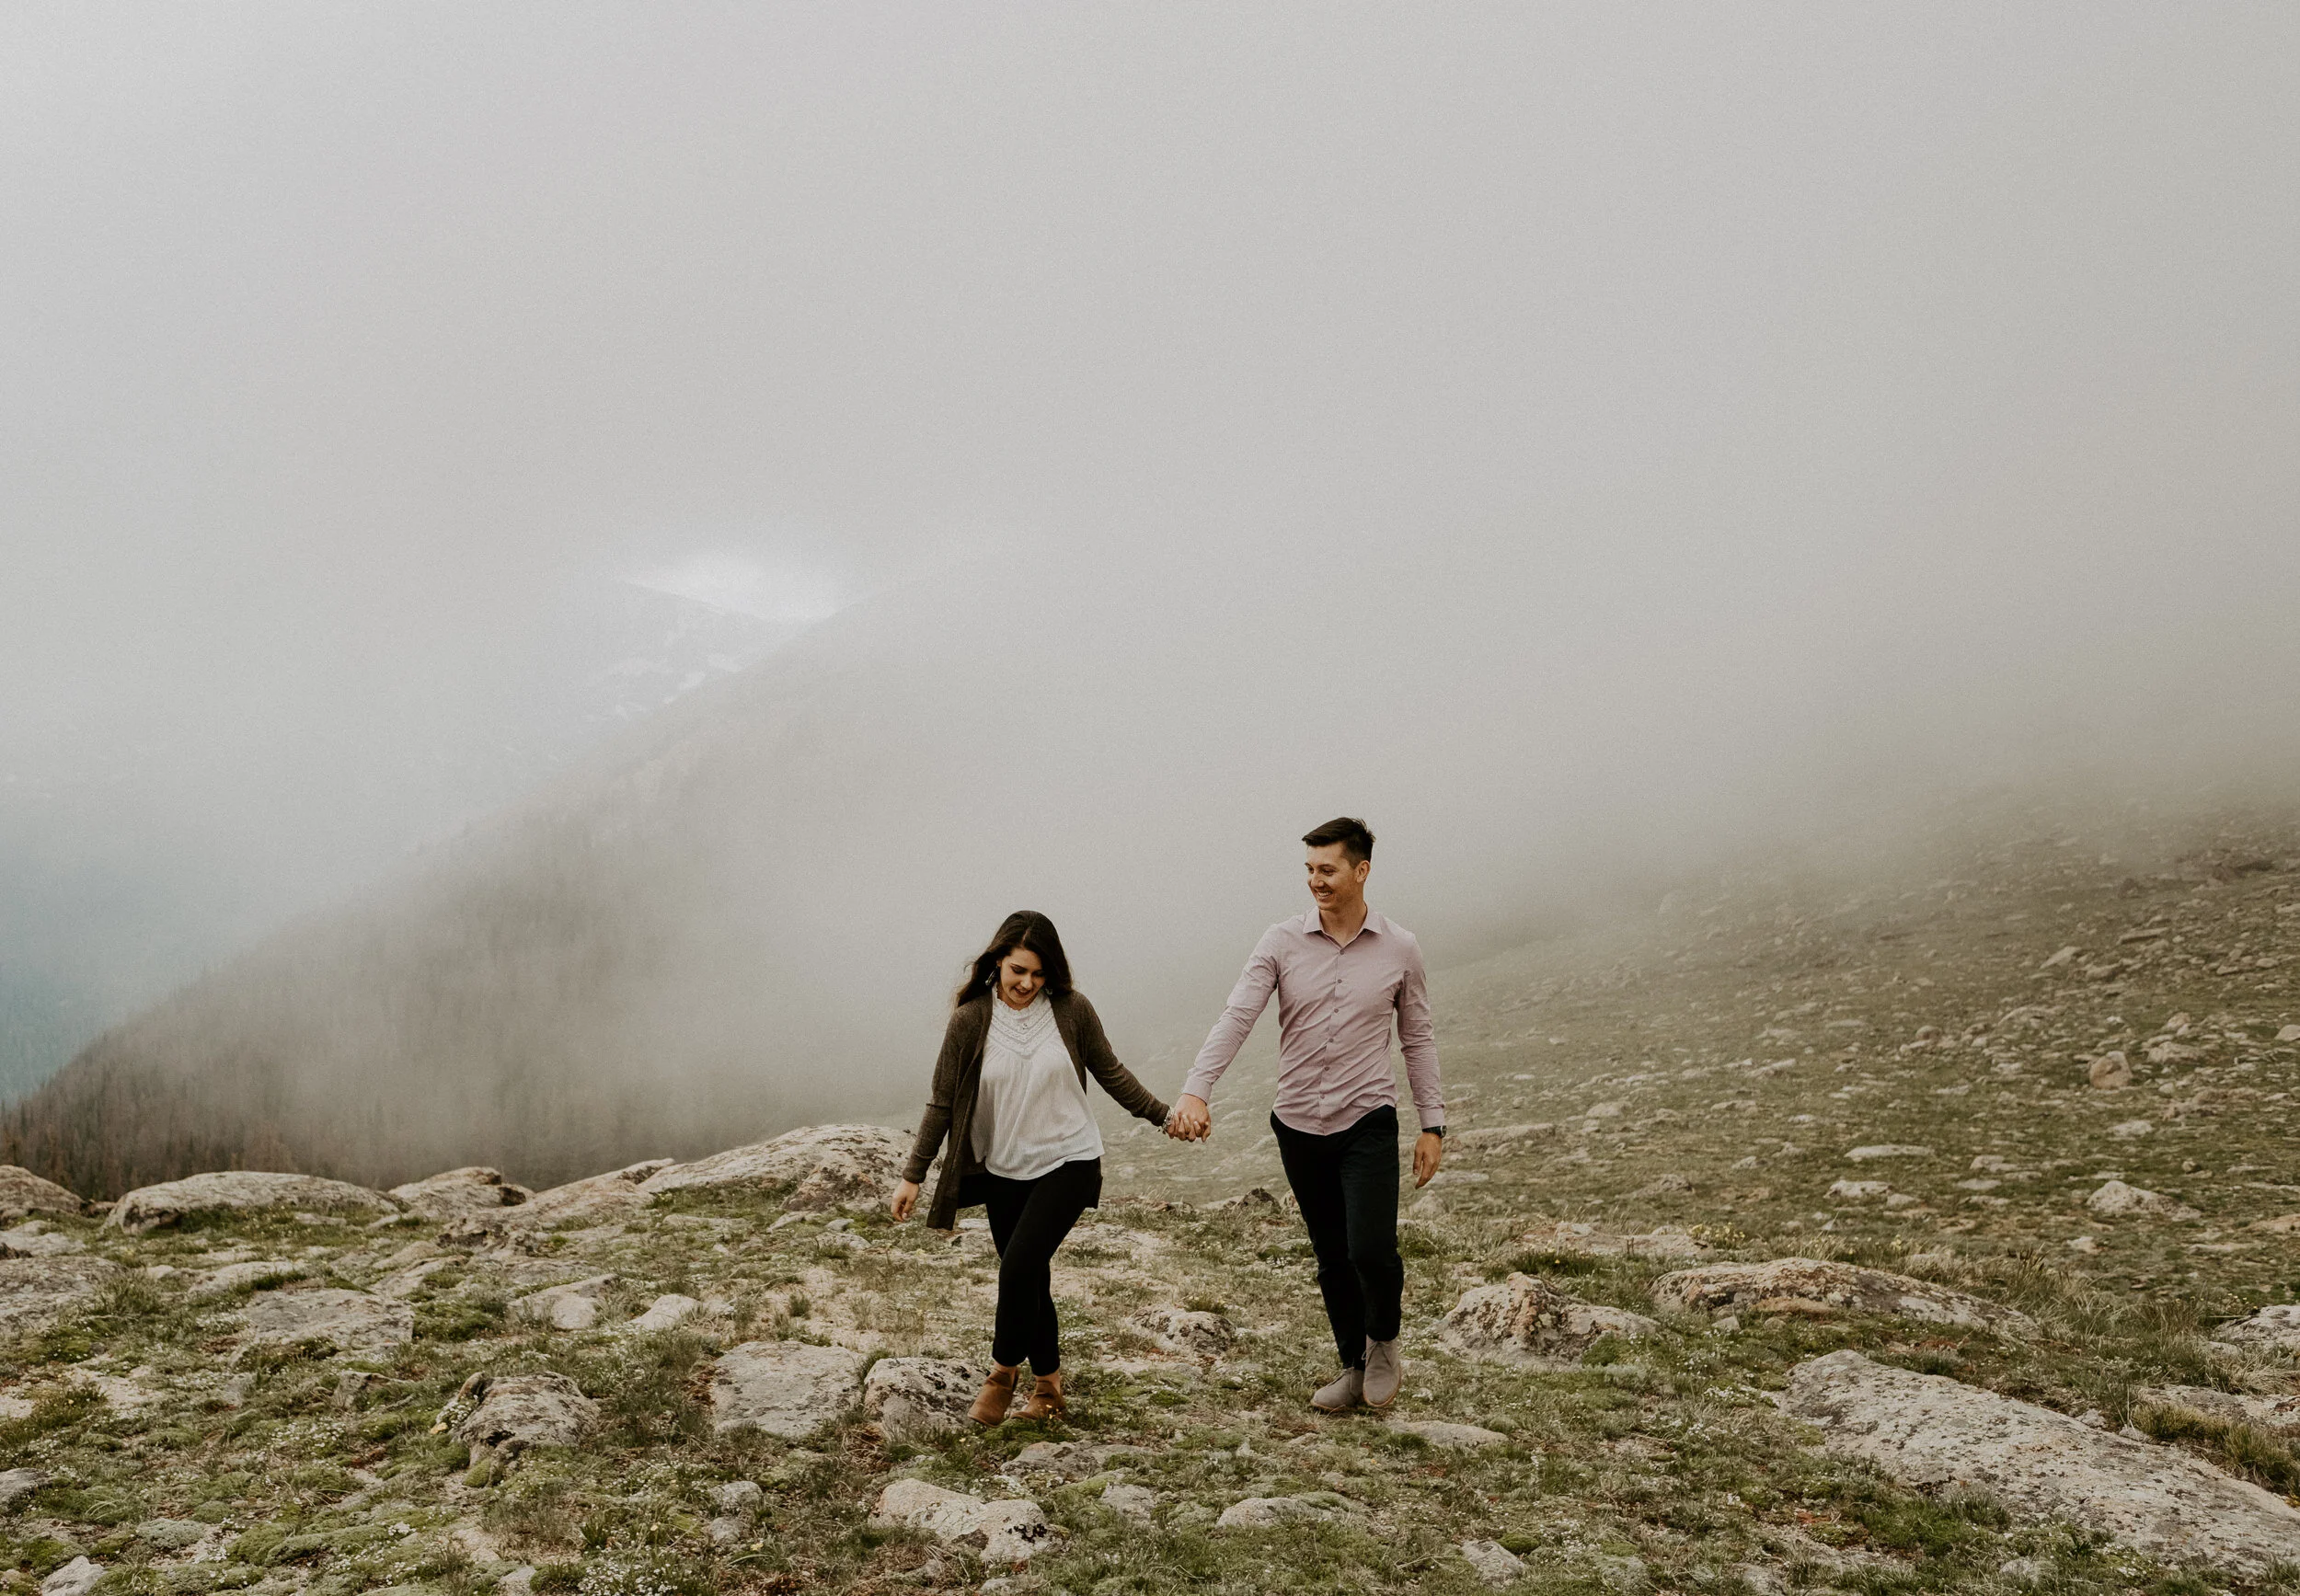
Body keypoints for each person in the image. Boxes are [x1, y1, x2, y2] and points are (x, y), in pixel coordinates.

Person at [1167, 817, 1443, 1413]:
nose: (1315, 881)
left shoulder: (1400, 948)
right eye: (1309, 870)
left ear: (1361, 870)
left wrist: (1432, 1123)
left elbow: (1417, 1038)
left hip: (1368, 1117)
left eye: (1328, 869)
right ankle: (1353, 1363)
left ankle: (1384, 1342)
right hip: (1298, 1124)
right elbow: (1238, 1014)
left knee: (1370, 1248)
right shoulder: (1280, 941)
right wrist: (1197, 1089)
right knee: (1332, 1255)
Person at [891, 911, 1172, 1424]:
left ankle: (1001, 1374)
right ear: (997, 962)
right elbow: (941, 1102)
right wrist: (914, 1174)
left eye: (1038, 974)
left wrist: (1164, 1116)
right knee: (1031, 1278)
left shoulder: (1071, 1010)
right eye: (1018, 970)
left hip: (1070, 1159)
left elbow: (1111, 1073)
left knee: (1018, 1266)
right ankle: (1049, 1389)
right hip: (1002, 1170)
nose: (1027, 983)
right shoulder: (971, 1019)